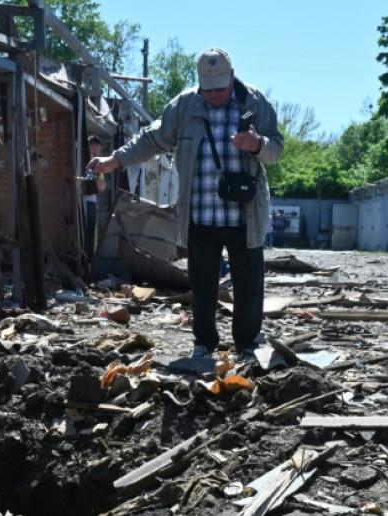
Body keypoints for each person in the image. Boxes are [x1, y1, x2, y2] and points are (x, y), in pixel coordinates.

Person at [87, 47, 283, 361]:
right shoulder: (184, 106)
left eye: (221, 88)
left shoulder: (255, 102)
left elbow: (277, 147)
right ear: (200, 83)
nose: (215, 95)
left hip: (244, 214)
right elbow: (152, 139)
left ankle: (247, 344)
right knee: (202, 286)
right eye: (209, 90)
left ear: (231, 77)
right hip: (200, 213)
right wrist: (115, 160)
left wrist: (258, 144)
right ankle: (204, 343)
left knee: (248, 286)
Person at [82, 136, 107, 266]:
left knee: (84, 234)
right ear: (92, 146)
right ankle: (89, 264)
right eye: (97, 150)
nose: (98, 154)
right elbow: (101, 186)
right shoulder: (94, 163)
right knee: (90, 235)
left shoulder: (79, 158)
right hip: (89, 201)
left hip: (80, 200)